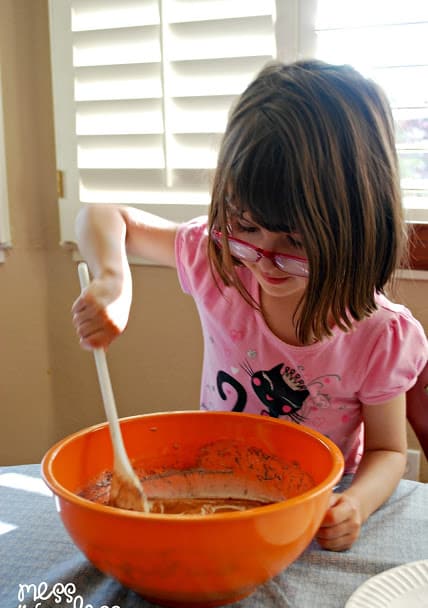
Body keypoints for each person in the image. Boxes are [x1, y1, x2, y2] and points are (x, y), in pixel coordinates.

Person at [72, 59, 428, 551]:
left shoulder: (380, 335)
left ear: (358, 229)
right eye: (246, 227)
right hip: (214, 489)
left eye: (296, 241)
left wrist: (356, 505)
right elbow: (103, 215)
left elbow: (389, 450)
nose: (266, 261)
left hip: (308, 518)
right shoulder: (218, 259)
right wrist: (114, 279)